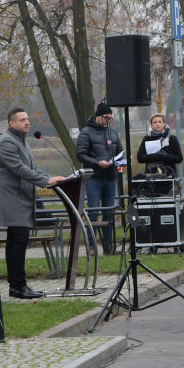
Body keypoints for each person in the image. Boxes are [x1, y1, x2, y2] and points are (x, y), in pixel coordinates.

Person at [0, 107, 65, 299]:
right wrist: (45, 181)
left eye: (27, 119)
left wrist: (51, 178)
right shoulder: (7, 143)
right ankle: (18, 286)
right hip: (14, 201)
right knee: (18, 242)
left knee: (16, 242)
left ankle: (16, 285)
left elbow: (32, 168)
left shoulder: (21, 141)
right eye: (22, 120)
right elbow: (19, 169)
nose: (27, 122)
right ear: (12, 123)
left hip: (22, 199)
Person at [76, 101, 124, 254]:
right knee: (94, 212)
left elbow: (120, 150)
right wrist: (97, 163)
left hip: (110, 177)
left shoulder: (113, 132)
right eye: (105, 117)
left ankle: (108, 246)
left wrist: (120, 160)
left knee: (109, 212)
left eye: (110, 118)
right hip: (94, 178)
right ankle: (91, 247)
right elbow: (81, 154)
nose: (108, 121)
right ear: (98, 116)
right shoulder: (86, 132)